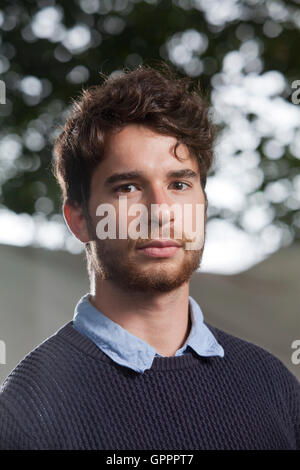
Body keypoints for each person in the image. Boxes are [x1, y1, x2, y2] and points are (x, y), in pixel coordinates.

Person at [0, 63, 299, 450]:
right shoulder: (24, 413)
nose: (161, 211)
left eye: (178, 184)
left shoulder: (273, 385)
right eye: (127, 187)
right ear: (79, 220)